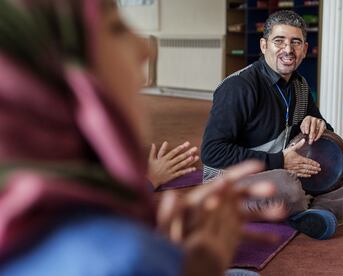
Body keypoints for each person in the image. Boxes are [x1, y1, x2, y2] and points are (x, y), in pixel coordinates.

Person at [0, 1, 285, 275]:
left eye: (296, 42)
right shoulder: (120, 258)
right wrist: (198, 267)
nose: (146, 48)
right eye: (115, 27)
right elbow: (215, 151)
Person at [201, 10, 343, 240]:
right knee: (287, 186)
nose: (288, 50)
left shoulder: (300, 86)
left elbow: (325, 139)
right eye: (279, 41)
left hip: (282, 172)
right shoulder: (239, 86)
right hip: (230, 180)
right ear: (264, 46)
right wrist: (280, 161)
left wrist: (319, 123)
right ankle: (310, 205)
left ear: (304, 48)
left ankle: (318, 213)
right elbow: (212, 152)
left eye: (296, 42)